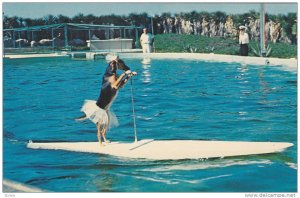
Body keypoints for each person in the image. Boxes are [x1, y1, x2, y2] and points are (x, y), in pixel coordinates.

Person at [76, 55, 137, 146]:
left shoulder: (113, 78)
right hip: (100, 108)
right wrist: (124, 74)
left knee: (107, 125)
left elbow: (121, 84)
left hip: (106, 108)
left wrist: (129, 76)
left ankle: (104, 137)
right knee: (99, 126)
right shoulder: (110, 79)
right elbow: (116, 85)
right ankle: (100, 142)